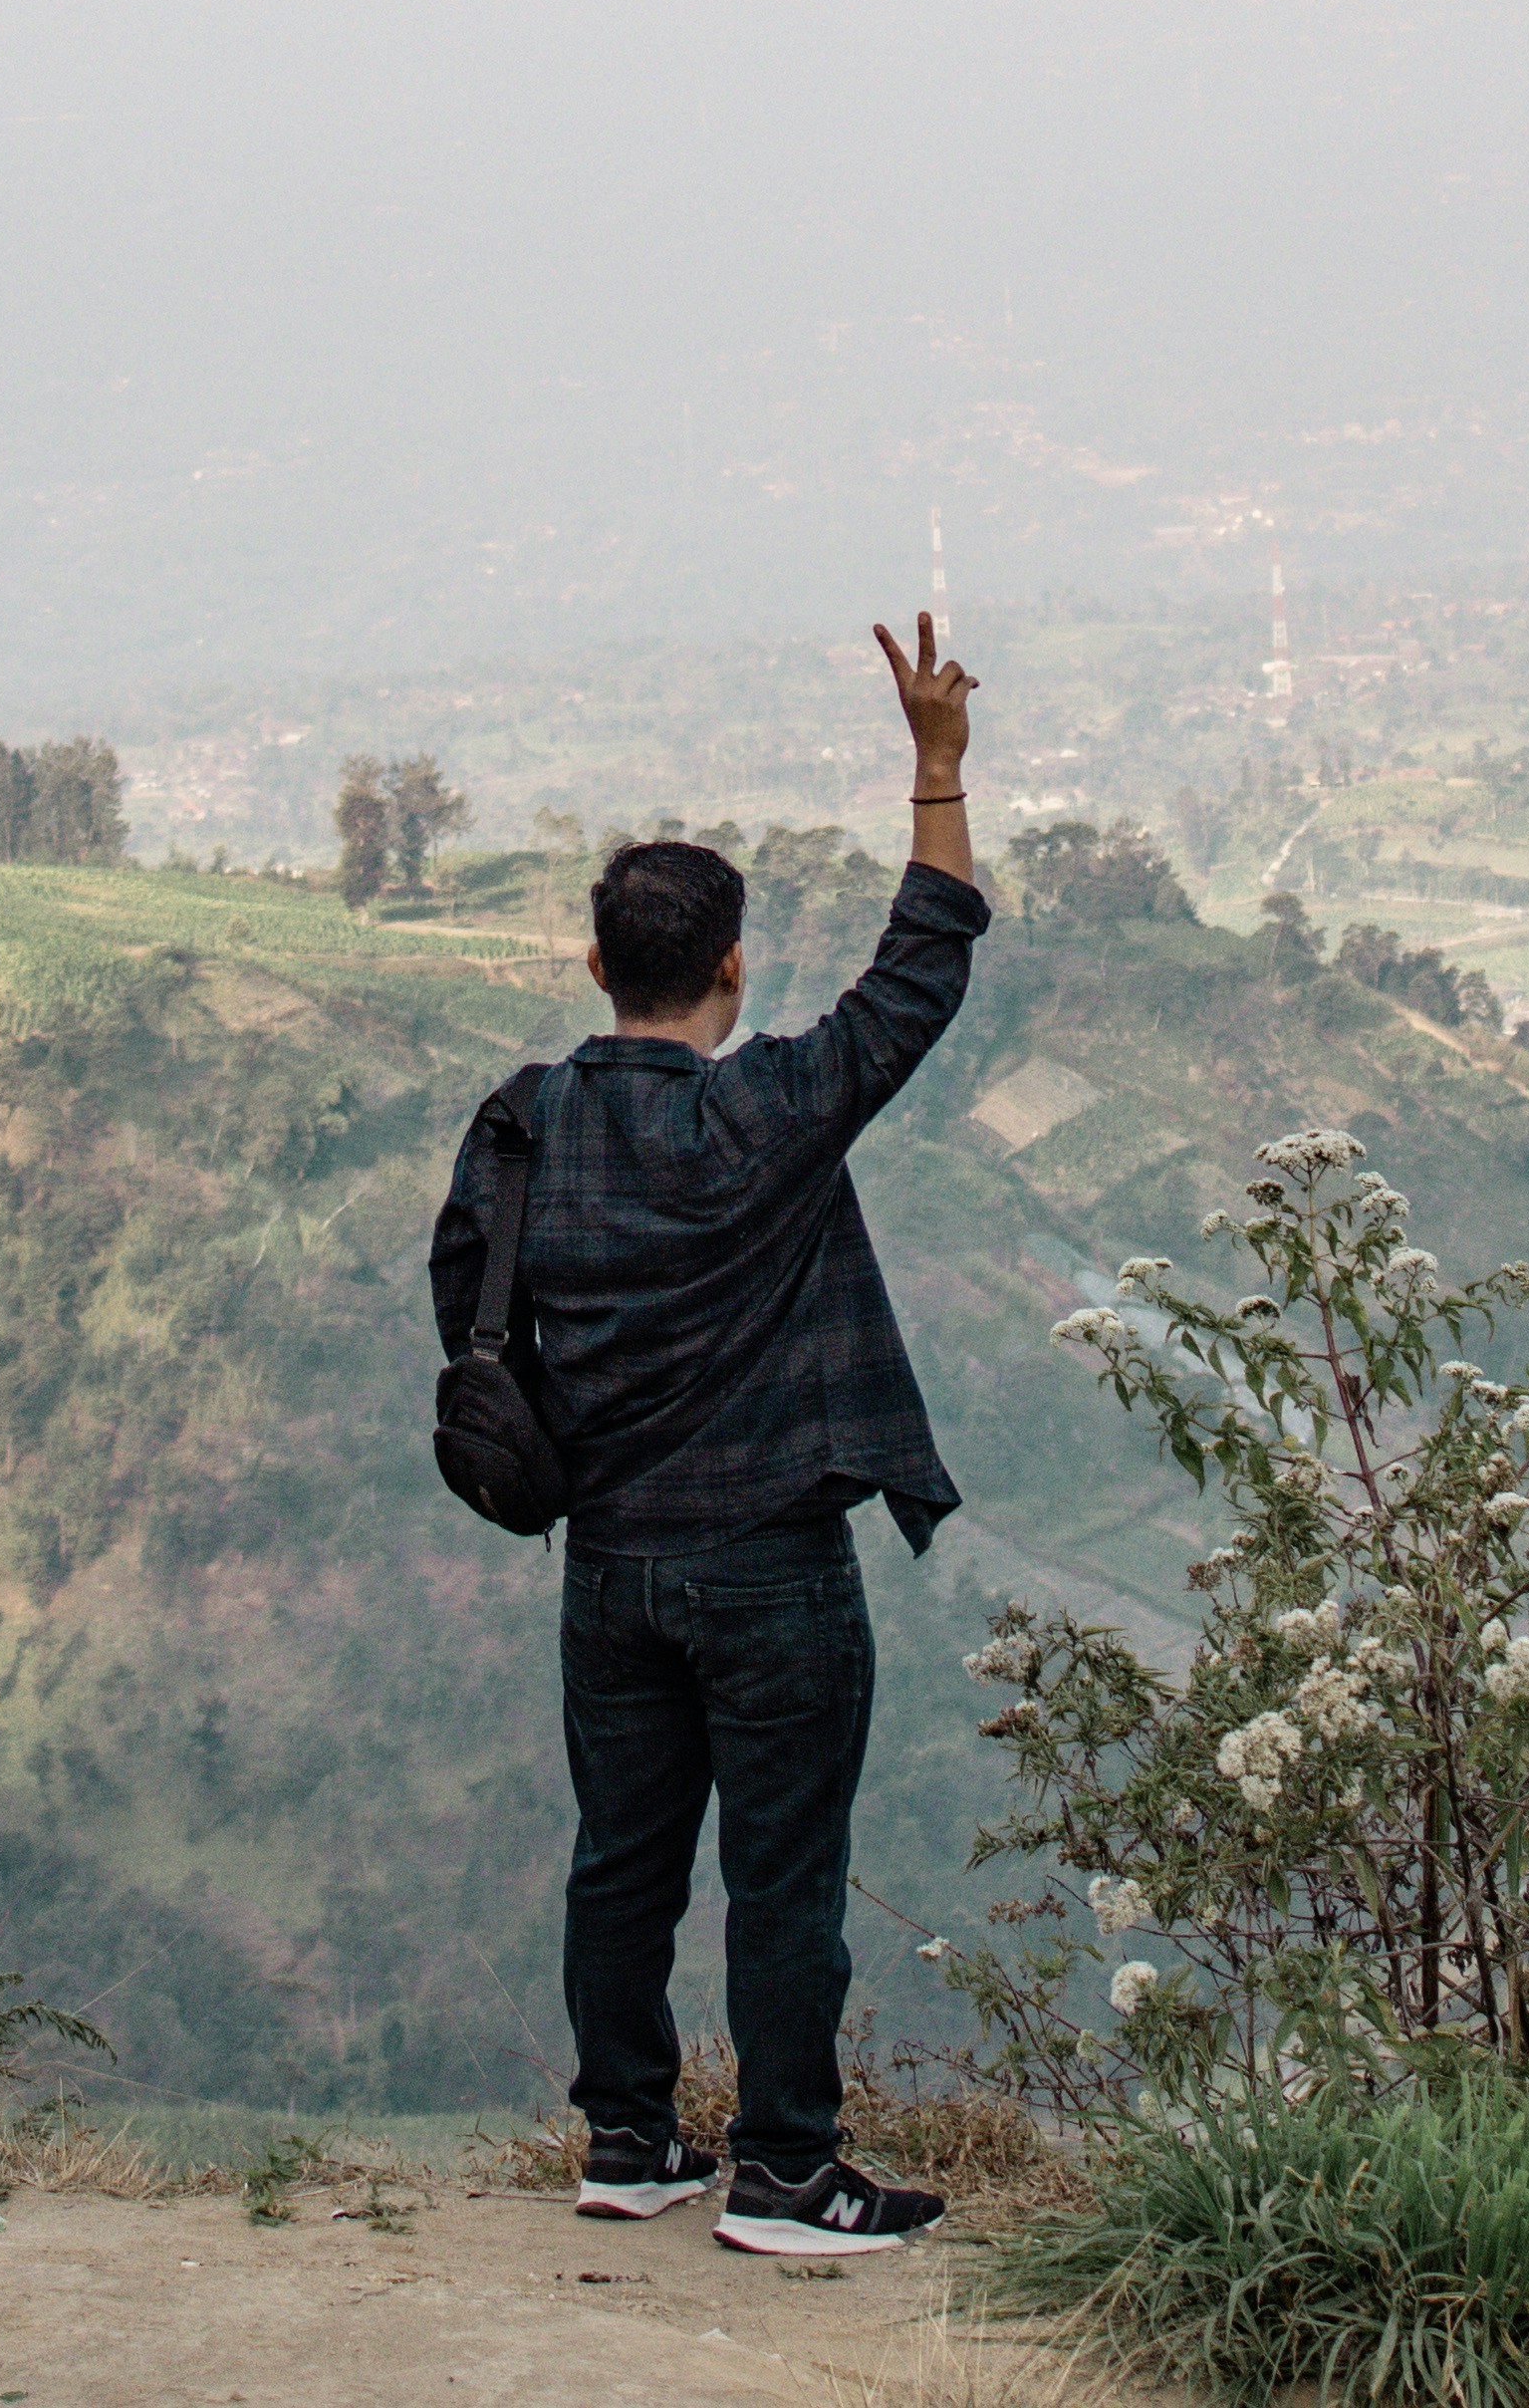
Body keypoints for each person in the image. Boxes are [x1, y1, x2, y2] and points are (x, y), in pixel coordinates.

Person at [428, 614, 988, 2258]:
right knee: (783, 1873)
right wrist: (935, 768)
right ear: (733, 969)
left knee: (624, 1861)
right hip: (768, 1568)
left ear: (597, 964)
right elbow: (922, 966)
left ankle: (626, 2140)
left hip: (606, 1566)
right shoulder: (770, 1112)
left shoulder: (524, 1124)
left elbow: (471, 1318)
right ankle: (788, 2175)